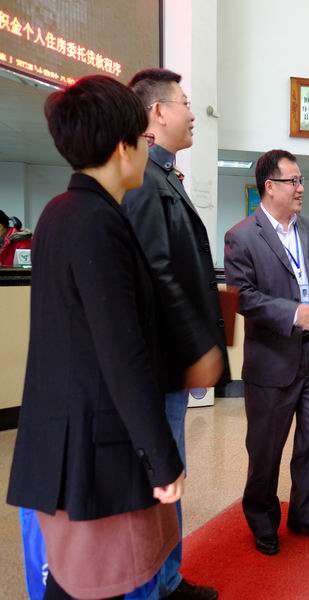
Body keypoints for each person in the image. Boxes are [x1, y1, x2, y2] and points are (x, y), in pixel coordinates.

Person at [6, 75, 185, 599]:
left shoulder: (62, 212)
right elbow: (121, 353)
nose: (148, 150)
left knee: (76, 583)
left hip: (67, 436)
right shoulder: (96, 221)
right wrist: (162, 457)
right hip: (90, 447)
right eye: (144, 139)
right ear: (122, 146)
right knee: (93, 584)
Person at [123, 68, 228, 600]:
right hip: (162, 364)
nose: (192, 113)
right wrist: (196, 347)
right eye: (184, 102)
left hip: (170, 362)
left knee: (171, 473)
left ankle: (167, 580)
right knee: (162, 477)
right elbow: (156, 274)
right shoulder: (145, 179)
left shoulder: (163, 176)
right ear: (158, 113)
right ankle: (158, 586)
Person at [224, 149, 309, 557]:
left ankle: (306, 515)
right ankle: (262, 520)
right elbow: (241, 296)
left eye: (301, 180)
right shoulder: (242, 236)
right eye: (294, 181)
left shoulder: (306, 229)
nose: (301, 188)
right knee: (266, 449)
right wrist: (291, 313)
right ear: (270, 186)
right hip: (272, 359)